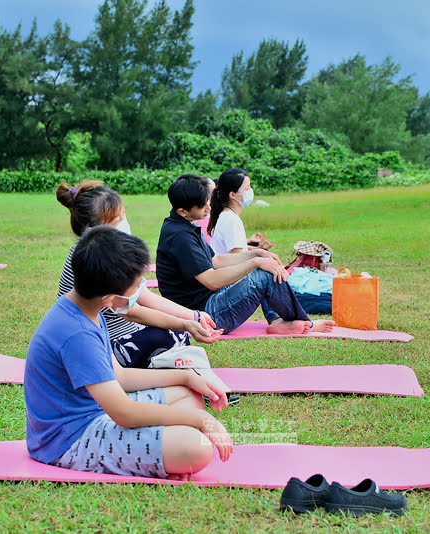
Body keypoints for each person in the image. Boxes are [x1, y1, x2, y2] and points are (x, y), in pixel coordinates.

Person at [25, 225, 232, 478]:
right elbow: (123, 412)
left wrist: (186, 376)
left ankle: (162, 448)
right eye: (135, 288)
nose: (139, 293)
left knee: (188, 395)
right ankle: (165, 451)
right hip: (70, 440)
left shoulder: (87, 309)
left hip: (97, 411)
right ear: (110, 298)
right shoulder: (77, 333)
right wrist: (201, 421)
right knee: (196, 448)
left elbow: (120, 377)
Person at [56, 180, 220, 369]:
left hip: (122, 335)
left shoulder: (104, 253)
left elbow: (143, 296)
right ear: (94, 231)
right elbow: (132, 311)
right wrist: (185, 323)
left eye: (123, 214)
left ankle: (185, 375)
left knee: (174, 332)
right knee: (170, 334)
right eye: (117, 220)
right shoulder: (94, 263)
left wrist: (194, 316)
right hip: (98, 348)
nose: (124, 223)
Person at [156, 173, 334, 335]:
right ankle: (305, 323)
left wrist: (255, 253)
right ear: (182, 211)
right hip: (204, 316)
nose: (209, 208)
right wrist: (255, 263)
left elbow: (215, 260)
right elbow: (211, 281)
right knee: (264, 274)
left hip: (209, 300)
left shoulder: (186, 224)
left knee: (265, 268)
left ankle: (281, 321)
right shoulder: (179, 236)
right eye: (203, 205)